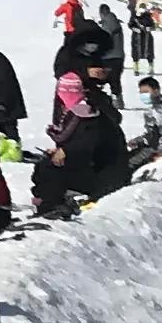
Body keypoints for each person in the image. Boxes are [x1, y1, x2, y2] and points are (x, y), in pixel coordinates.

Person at [29, 72, 131, 216]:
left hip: (105, 174)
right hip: (100, 167)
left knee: (51, 169)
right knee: (46, 165)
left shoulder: (87, 113)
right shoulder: (83, 110)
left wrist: (66, 151)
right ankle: (47, 201)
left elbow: (88, 143)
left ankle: (51, 206)